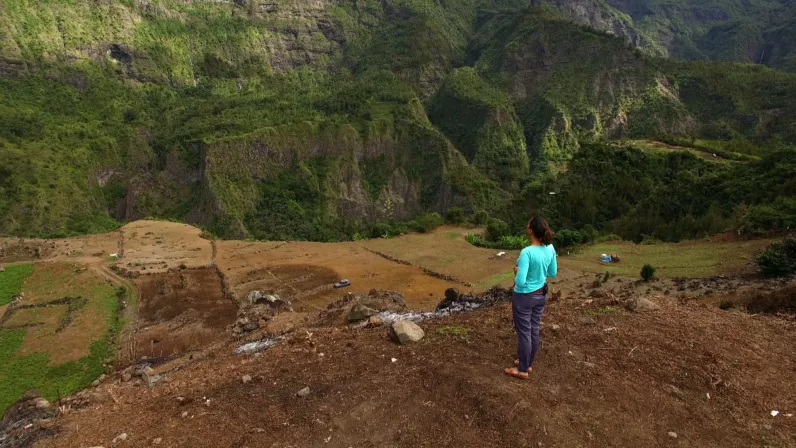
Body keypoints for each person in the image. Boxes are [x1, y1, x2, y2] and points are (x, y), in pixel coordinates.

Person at [504, 216, 557, 380]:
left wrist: (516, 272)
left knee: (524, 333)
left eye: (529, 223)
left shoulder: (527, 252)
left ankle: (522, 370)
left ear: (531, 230)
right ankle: (528, 363)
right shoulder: (550, 249)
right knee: (534, 329)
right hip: (541, 295)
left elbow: (520, 281)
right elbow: (552, 273)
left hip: (524, 297)